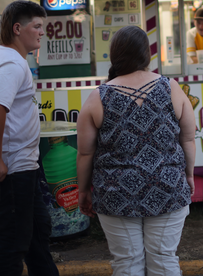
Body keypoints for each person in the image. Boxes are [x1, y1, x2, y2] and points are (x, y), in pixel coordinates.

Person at [77, 25, 196, 276]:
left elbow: (85, 153)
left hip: (115, 193)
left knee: (127, 263)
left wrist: (83, 190)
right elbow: (188, 139)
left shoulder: (97, 97)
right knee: (164, 259)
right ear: (147, 54)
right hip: (168, 188)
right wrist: (189, 176)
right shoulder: (172, 88)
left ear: (114, 55)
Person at [0, 0, 59, 276]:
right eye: (37, 26)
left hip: (22, 168)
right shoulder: (12, 63)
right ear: (18, 28)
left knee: (36, 237)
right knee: (13, 244)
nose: (41, 32)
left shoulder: (12, 60)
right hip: (10, 173)